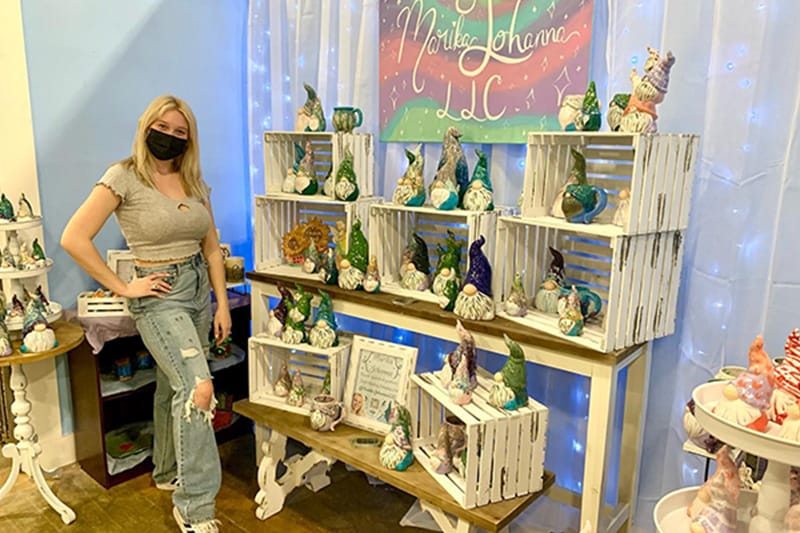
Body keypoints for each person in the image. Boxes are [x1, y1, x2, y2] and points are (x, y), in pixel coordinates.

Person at [61, 95, 231, 533]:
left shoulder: (193, 180)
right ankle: (195, 508)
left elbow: (211, 247)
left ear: (189, 140)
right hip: (158, 294)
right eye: (163, 127)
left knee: (169, 384)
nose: (170, 137)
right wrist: (122, 286)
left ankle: (166, 471)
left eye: (180, 132)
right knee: (198, 388)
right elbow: (74, 237)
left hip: (196, 290)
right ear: (145, 126)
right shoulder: (123, 177)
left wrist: (221, 303)